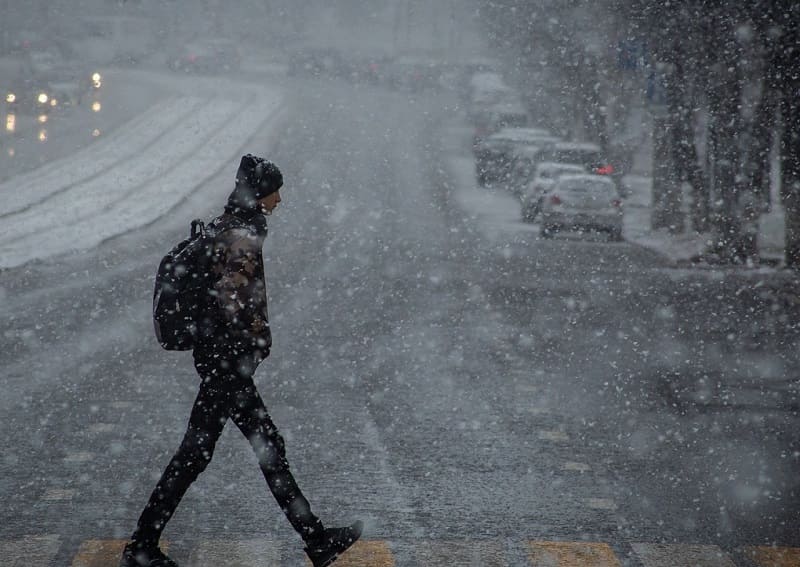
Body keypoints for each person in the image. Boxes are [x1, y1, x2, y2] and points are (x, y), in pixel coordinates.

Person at [120, 155, 362, 567]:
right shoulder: (240, 236)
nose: (279, 199)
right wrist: (255, 342)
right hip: (226, 361)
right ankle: (142, 546)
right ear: (260, 192)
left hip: (218, 359)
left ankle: (315, 539)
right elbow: (233, 301)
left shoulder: (228, 225)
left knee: (215, 451)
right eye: (275, 191)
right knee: (235, 451)